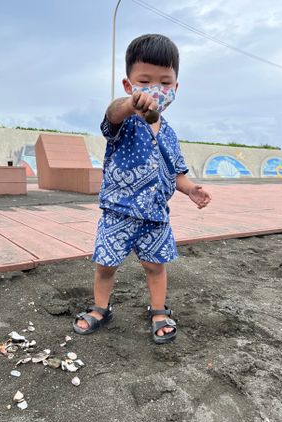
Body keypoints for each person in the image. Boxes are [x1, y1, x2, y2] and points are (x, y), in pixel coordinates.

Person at [73, 33, 211, 344]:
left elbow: (177, 173)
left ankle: (159, 311)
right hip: (118, 211)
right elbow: (111, 115)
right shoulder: (124, 120)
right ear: (128, 85)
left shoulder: (171, 135)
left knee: (155, 266)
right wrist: (131, 106)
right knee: (105, 264)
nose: (156, 90)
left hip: (156, 215)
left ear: (175, 88)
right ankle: (100, 308)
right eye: (145, 81)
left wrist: (191, 189)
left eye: (164, 82)